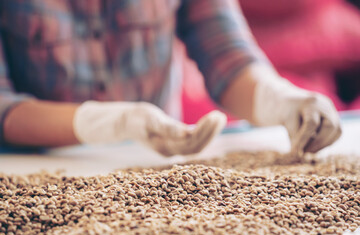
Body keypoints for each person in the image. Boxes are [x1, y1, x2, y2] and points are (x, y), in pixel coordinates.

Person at [0, 0, 341, 156]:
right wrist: (110, 123)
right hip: (37, 164)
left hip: (159, 162)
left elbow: (228, 58)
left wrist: (279, 99)